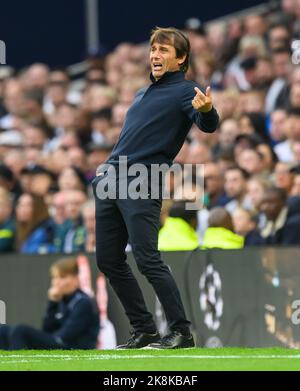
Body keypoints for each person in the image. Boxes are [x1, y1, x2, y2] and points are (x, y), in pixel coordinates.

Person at [92, 27, 219, 349]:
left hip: (141, 179)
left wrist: (207, 111)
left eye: (164, 51)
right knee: (108, 259)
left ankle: (181, 331)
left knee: (147, 258)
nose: (155, 56)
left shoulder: (186, 91)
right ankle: (144, 329)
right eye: (153, 50)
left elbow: (208, 123)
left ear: (181, 58)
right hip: (111, 178)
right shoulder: (141, 93)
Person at [0, 257, 99, 350]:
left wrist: (41, 339)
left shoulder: (83, 302)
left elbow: (66, 336)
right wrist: (53, 302)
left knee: (20, 330)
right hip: (58, 341)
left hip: (73, 347)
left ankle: (19, 366)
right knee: (3, 330)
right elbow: (46, 329)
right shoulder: (61, 300)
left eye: (62, 277)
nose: (56, 282)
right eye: (54, 278)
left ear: (75, 279)